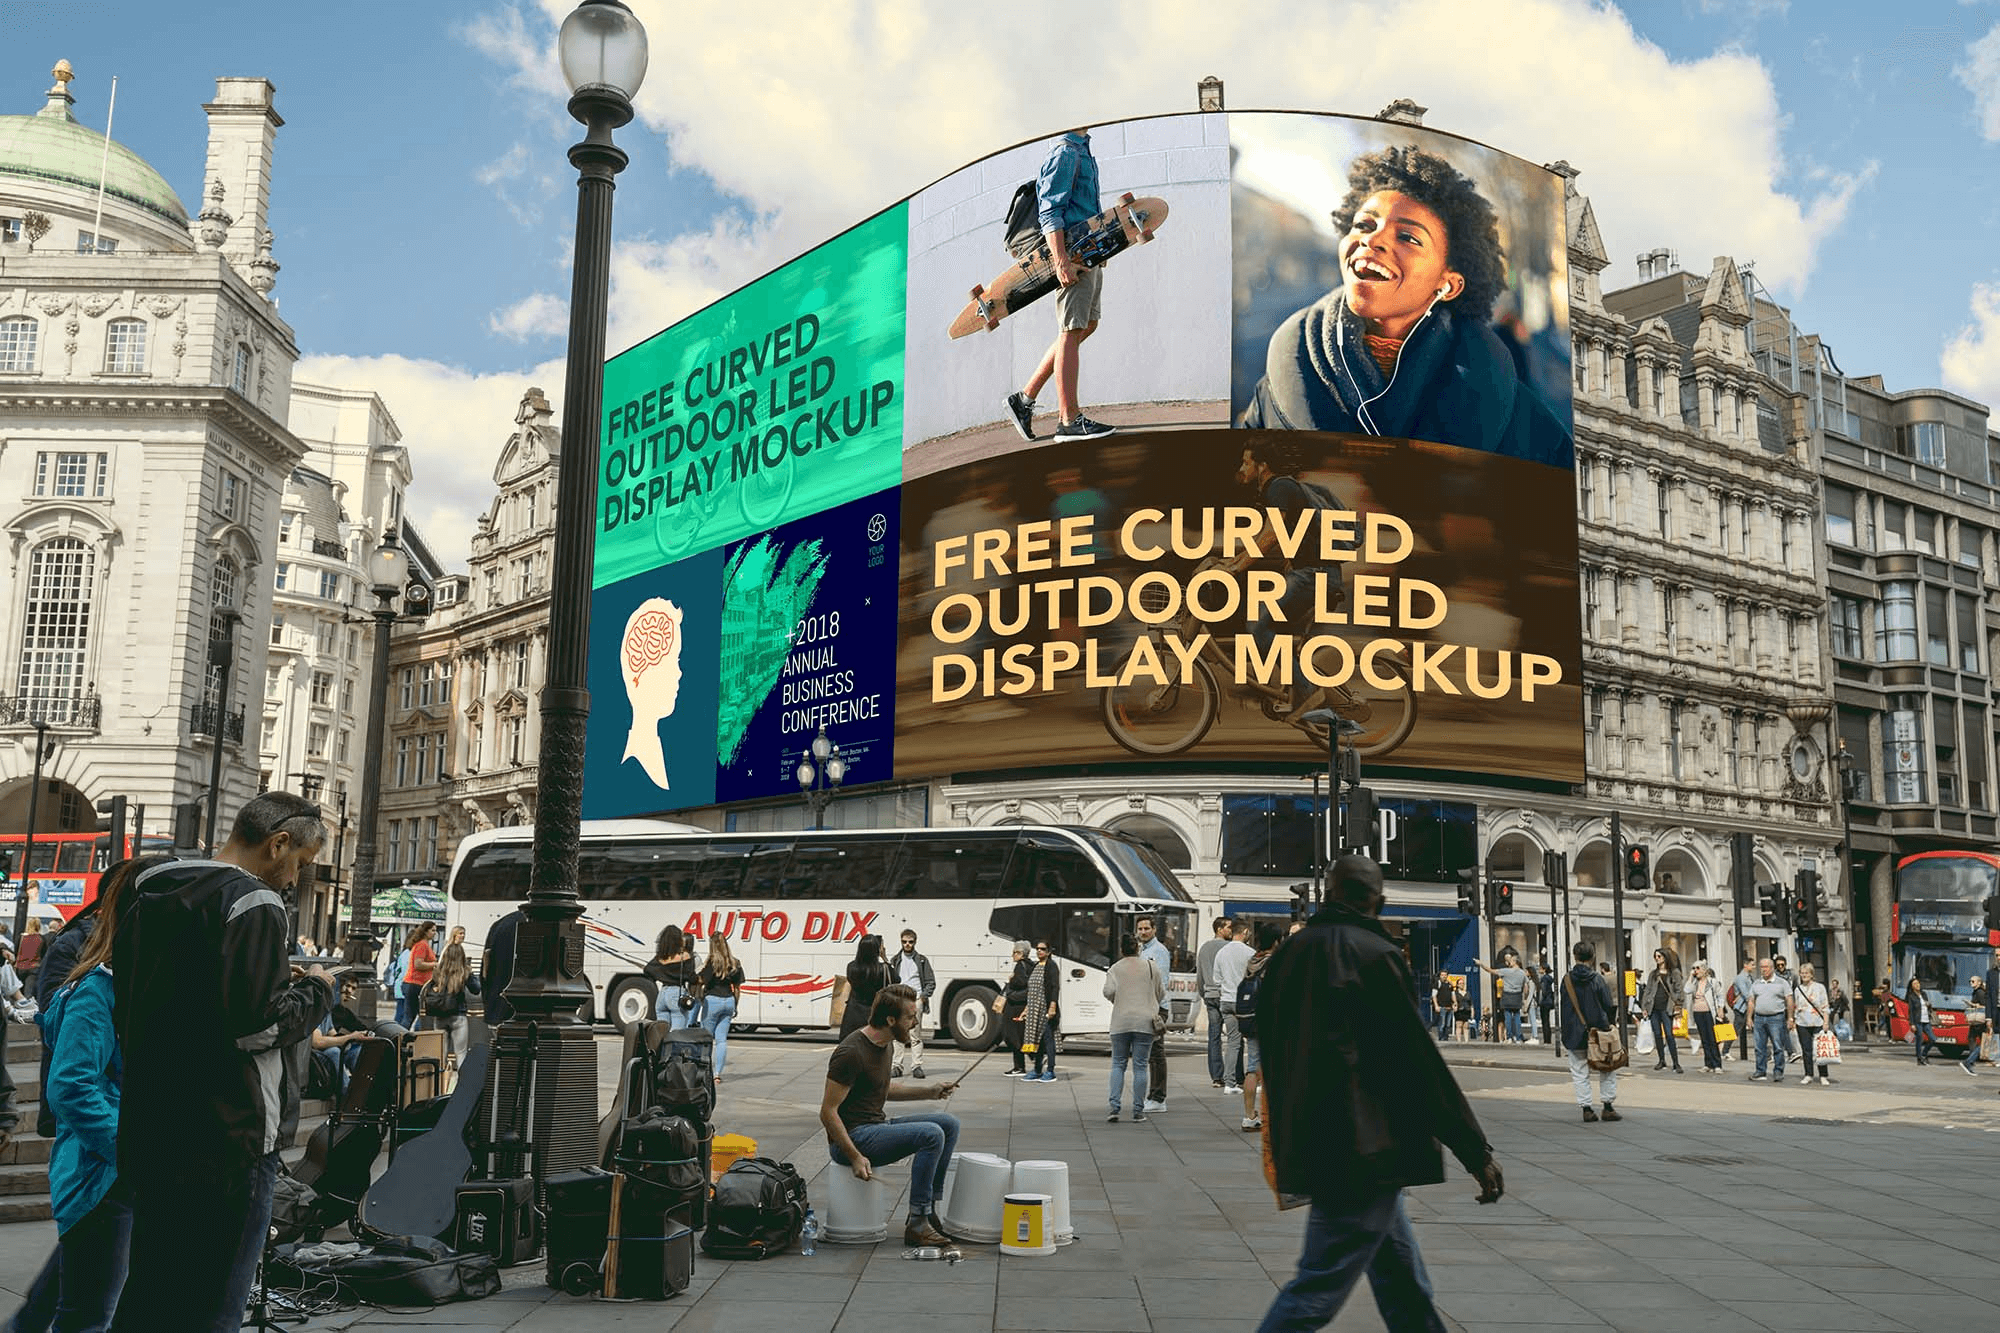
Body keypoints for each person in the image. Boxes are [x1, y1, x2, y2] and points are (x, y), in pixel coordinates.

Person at [109, 793, 334, 1332]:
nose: (294, 878)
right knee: (216, 1298)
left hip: (154, 1122)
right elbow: (258, 1025)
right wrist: (319, 992)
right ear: (278, 843)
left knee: (151, 1290)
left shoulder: (152, 889)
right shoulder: (253, 902)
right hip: (229, 1134)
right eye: (299, 863)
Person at [1256, 855, 1502, 1332]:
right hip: (1365, 1148)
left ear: (1326, 894)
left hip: (1317, 1138)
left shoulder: (1289, 956)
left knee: (1402, 1282)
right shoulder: (1376, 955)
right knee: (1318, 1286)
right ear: (1380, 901)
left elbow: (1275, 1050)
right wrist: (1475, 1151)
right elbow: (1415, 1063)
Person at [1239, 144, 1572, 469]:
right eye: (1364, 225)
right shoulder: (1274, 386)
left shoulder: (1514, 412)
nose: (1371, 240)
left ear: (1448, 284)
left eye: (1408, 237)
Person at [15, 858, 164, 1333]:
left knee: (91, 1302)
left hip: (118, 1169)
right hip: (102, 1173)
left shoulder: (135, 984)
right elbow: (71, 1086)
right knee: (86, 1314)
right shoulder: (97, 989)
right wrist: (127, 1148)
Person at [818, 983, 960, 1246]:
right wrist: (855, 1156)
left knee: (949, 1123)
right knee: (931, 1134)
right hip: (852, 1138)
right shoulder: (851, 1052)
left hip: (875, 1126)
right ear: (891, 1019)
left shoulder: (887, 1045)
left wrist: (930, 1091)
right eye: (910, 1017)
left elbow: (882, 1089)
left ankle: (928, 1211)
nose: (915, 1021)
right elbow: (827, 1112)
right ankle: (917, 1222)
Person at [1005, 128, 1115, 445]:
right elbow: (1051, 210)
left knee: (1087, 325)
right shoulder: (1065, 152)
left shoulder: (1083, 149)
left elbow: (1084, 206)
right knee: (1071, 329)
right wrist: (1061, 261)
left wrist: (1103, 247)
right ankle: (1068, 421)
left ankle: (1023, 399)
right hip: (1072, 253)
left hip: (1089, 251)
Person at [1559, 941, 1622, 1122]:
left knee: (1579, 1071)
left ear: (1575, 956)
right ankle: (1608, 1107)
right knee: (1607, 1068)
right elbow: (1608, 1004)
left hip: (1574, 1032)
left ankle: (1587, 1109)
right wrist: (1608, 1024)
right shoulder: (1597, 979)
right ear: (1592, 957)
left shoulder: (1567, 980)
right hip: (1599, 1032)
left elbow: (1564, 1006)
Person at [1102, 935, 1162, 1122]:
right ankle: (1138, 1110)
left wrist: (1120, 1000)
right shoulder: (1151, 966)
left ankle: (1114, 1107)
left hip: (1120, 1021)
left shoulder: (1115, 968)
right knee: (1141, 1066)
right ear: (1138, 948)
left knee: (1118, 1064)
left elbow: (1108, 992)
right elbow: (1161, 992)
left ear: (1121, 950)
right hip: (1144, 1022)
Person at [1239, 924, 1282, 1133]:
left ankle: (1249, 1116)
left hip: (1251, 1020)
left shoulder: (1253, 961)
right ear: (1276, 941)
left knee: (1252, 1068)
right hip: (1270, 1022)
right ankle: (1268, 1115)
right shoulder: (1274, 962)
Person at [1134, 915, 1173, 1113]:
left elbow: (1162, 983)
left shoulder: (1159, 951)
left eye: (1146, 928)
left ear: (1154, 929)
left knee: (1157, 1053)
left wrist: (1154, 1009)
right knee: (1150, 1054)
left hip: (1157, 1007)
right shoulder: (1141, 950)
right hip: (1145, 1006)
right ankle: (1153, 1095)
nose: (1143, 932)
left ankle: (1158, 1098)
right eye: (1140, 929)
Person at [1212, 922, 1256, 1096]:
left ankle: (1229, 1083)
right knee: (1253, 1041)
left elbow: (1216, 979)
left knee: (1232, 1043)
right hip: (1245, 1003)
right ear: (1245, 932)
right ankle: (1254, 1079)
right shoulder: (1250, 953)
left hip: (1226, 1000)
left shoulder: (1221, 953)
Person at [420, 941, 481, 1062]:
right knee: (461, 1053)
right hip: (458, 1016)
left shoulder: (439, 971)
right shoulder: (464, 972)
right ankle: (461, 1080)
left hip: (440, 1015)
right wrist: (470, 973)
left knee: (440, 1055)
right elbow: (476, 990)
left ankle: (441, 1079)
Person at [890, 930, 936, 1079]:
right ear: (901, 942)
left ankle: (917, 1066)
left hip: (915, 1001)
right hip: (899, 1000)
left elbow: (930, 982)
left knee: (915, 1035)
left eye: (910, 941)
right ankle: (897, 1066)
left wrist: (922, 998)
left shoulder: (922, 960)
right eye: (904, 941)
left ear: (915, 942)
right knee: (898, 1035)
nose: (907, 944)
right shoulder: (896, 960)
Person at [698, 935, 744, 1083]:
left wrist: (700, 998)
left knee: (706, 1038)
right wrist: (735, 1005)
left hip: (712, 1001)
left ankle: (704, 1071)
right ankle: (717, 1074)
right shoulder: (735, 963)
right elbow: (737, 988)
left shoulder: (711, 963)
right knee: (721, 1040)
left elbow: (701, 981)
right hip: (729, 1001)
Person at [1198, 917, 1235, 1087]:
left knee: (1214, 1037)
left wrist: (1203, 993)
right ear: (1219, 929)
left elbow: (1200, 975)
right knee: (1235, 1036)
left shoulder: (1204, 948)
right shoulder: (1229, 947)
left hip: (1210, 995)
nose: (1231, 930)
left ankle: (1216, 1077)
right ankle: (1234, 1074)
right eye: (1229, 927)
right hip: (1225, 995)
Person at [1747, 958, 1795, 1082]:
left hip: (1776, 1017)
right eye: (1762, 967)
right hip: (1759, 1018)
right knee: (1759, 1047)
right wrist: (1749, 1018)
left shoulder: (1782, 983)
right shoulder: (1756, 983)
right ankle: (1760, 1070)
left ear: (1772, 968)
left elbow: (1789, 1000)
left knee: (1778, 1046)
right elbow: (1751, 1001)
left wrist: (1790, 1017)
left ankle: (1778, 1071)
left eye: (1766, 967)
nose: (1764, 969)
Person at [1639, 947, 1685, 1074]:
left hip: (1667, 1008)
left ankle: (1676, 1063)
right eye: (1655, 956)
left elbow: (1679, 990)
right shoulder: (1653, 974)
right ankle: (1661, 1060)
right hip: (1654, 1008)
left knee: (1670, 1036)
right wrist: (1644, 1007)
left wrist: (1677, 1002)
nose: (1657, 959)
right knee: (1657, 1035)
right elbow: (1648, 990)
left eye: (1659, 956)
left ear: (1665, 957)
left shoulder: (1674, 973)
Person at [1023, 940, 1061, 1082]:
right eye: (1037, 949)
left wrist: (1052, 1007)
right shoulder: (1035, 966)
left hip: (1045, 1008)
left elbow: (1055, 988)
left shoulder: (1051, 966)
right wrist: (1027, 1009)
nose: (1039, 951)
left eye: (1043, 949)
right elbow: (1031, 990)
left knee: (1048, 1039)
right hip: (1034, 1009)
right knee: (1037, 1042)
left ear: (1049, 951)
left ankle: (1050, 1071)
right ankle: (1037, 1069)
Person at [840, 934, 891, 1040]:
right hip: (874, 1013)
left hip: (853, 1013)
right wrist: (885, 958)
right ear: (877, 950)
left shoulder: (852, 967)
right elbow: (896, 979)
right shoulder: (883, 969)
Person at [1792, 962, 1833, 1087]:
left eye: (1806, 973)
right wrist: (1794, 1020)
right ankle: (1808, 1074)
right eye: (1802, 973)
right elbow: (1796, 1006)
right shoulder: (1798, 989)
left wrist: (1826, 1022)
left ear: (1811, 974)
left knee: (1820, 1050)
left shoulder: (1820, 987)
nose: (1804, 975)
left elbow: (1825, 1006)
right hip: (1802, 1022)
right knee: (1806, 1050)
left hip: (1817, 1021)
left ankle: (1823, 1075)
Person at [481, 906, 524, 1026]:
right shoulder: (537, 922)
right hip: (525, 1008)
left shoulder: (501, 923)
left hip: (498, 1002)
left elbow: (486, 970)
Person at [1474, 951, 1530, 1042]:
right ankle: (1518, 1037)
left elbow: (1490, 970)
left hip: (1507, 995)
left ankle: (1509, 1037)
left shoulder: (1506, 971)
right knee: (1517, 1017)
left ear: (1514, 962)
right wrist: (1525, 998)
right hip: (1517, 996)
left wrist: (1481, 964)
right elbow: (1526, 987)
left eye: (1510, 961)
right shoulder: (1522, 973)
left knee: (1507, 1016)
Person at [648, 925, 698, 1026]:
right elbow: (691, 977)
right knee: (677, 1034)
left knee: (661, 1032)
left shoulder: (661, 957)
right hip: (676, 992)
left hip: (662, 994)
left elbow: (648, 970)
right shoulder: (685, 956)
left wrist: (662, 976)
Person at [997, 941, 1033, 1076]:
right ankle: (1026, 1061)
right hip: (1023, 1004)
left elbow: (1021, 982)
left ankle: (1022, 1064)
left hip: (1015, 1004)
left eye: (1014, 952)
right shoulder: (1031, 964)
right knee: (1020, 1034)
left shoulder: (1020, 966)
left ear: (1020, 953)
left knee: (1011, 1035)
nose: (1012, 955)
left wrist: (1012, 980)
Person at [1685, 963, 1728, 1074]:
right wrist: (1690, 976)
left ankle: (1717, 1064)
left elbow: (1720, 995)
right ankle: (1707, 1064)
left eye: (1697, 968)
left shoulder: (1712, 982)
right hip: (1697, 1012)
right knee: (1704, 1039)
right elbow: (1686, 990)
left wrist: (1720, 1008)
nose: (1695, 970)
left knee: (1712, 1039)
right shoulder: (1694, 982)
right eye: (1693, 968)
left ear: (1704, 970)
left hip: (1709, 1012)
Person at [397, 921, 437, 1030]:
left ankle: (402, 1040)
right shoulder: (422, 945)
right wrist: (434, 964)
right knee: (420, 1015)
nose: (435, 933)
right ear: (425, 931)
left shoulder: (422, 944)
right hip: (416, 984)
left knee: (410, 1016)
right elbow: (418, 964)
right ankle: (413, 1040)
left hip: (413, 983)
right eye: (432, 930)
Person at [1731, 956, 1758, 1062]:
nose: (1754, 967)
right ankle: (1725, 1051)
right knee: (1736, 1030)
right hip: (1742, 1008)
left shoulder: (1749, 977)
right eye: (1752, 964)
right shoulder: (1741, 977)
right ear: (1745, 965)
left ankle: (1766, 1053)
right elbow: (1746, 994)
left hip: (1750, 1007)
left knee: (1757, 1030)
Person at [1906, 976, 1935, 1066]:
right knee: (1920, 1040)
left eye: (1918, 983)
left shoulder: (1924, 994)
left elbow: (1928, 1005)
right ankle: (1919, 1058)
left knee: (1933, 1039)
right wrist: (1912, 1024)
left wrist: (1929, 1004)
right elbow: (1910, 1010)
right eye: (1915, 984)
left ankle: (1924, 1054)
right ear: (1912, 986)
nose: (1917, 985)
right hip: (1917, 1021)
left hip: (1926, 1020)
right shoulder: (1911, 997)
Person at [1536, 962, 1557, 1047]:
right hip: (1549, 1001)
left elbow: (1543, 991)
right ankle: (1548, 1039)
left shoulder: (1544, 979)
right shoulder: (1550, 978)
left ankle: (1546, 1039)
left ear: (1544, 969)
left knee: (1545, 1021)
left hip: (1544, 1002)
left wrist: (1539, 1001)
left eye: (1540, 968)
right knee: (1547, 1020)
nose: (1539, 970)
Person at [1432, 974, 1456, 1042]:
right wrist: (1436, 1005)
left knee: (1448, 1024)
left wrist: (1455, 1003)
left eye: (1445, 975)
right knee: (1442, 1024)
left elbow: (1453, 994)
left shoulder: (1449, 984)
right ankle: (1441, 1038)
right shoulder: (1437, 983)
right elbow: (1434, 995)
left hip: (1449, 1007)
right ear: (1440, 976)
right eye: (1442, 975)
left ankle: (1446, 1037)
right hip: (1442, 1007)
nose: (1444, 976)